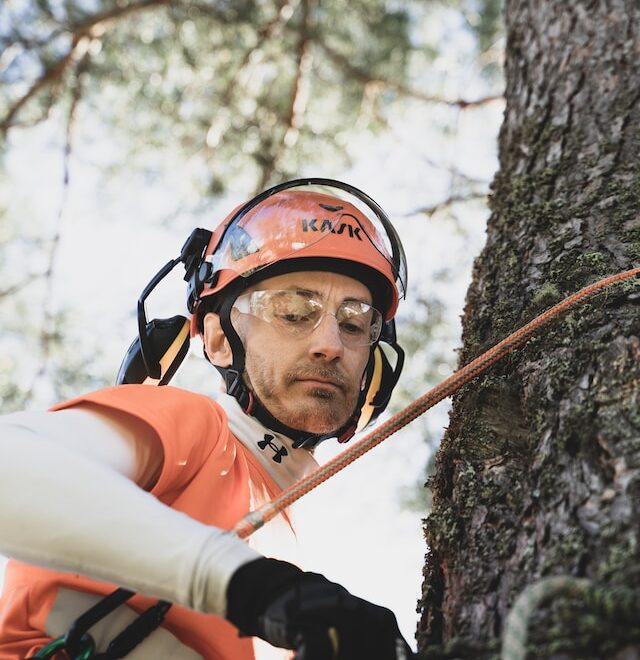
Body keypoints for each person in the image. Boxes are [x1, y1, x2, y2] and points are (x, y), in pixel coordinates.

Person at [0, 179, 413, 660]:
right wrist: (250, 586)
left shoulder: (291, 538)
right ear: (217, 340)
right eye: (294, 311)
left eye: (354, 322)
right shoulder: (194, 426)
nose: (331, 343)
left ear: (374, 369)